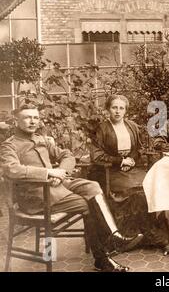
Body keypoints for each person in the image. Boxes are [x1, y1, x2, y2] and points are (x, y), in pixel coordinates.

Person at [0, 103, 143, 272]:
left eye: (36, 118)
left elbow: (66, 155)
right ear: (17, 120)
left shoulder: (41, 139)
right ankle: (103, 257)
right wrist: (48, 173)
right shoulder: (9, 145)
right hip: (37, 196)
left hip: (58, 185)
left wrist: (61, 171)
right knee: (87, 205)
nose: (33, 121)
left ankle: (114, 237)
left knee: (93, 187)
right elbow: (12, 170)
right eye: (27, 117)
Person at [90, 95, 169, 251]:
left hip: (131, 169)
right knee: (139, 191)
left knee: (150, 184)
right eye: (114, 107)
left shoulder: (132, 126)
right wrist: (120, 161)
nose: (118, 111)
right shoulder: (101, 129)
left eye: (121, 108)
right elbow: (97, 155)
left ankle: (147, 231)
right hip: (111, 172)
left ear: (125, 110)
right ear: (108, 109)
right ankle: (142, 234)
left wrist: (132, 159)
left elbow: (138, 149)